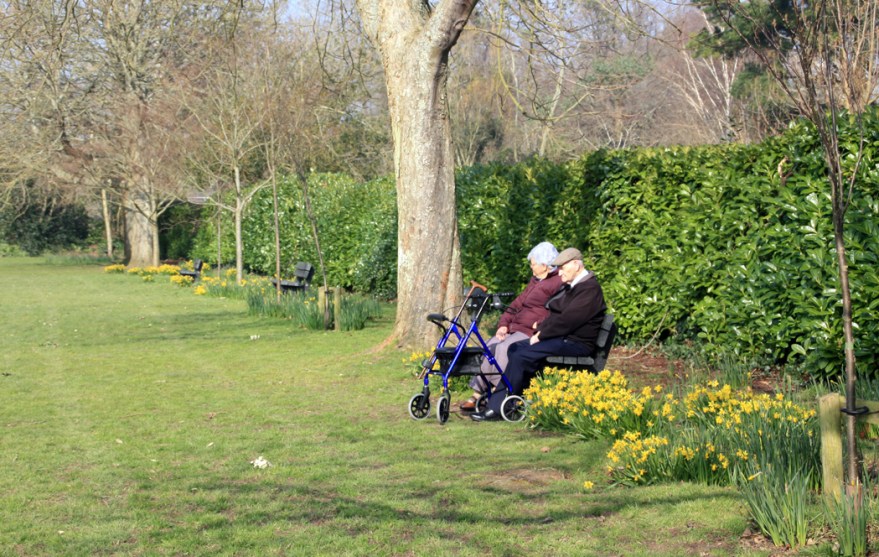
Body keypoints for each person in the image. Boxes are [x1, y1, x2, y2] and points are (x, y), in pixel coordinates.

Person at [471, 247, 607, 421]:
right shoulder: (576, 286)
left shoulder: (589, 289)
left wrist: (541, 334)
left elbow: (567, 320)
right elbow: (557, 313)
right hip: (564, 339)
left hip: (576, 344)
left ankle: (498, 407)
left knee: (522, 354)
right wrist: (542, 325)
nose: (560, 272)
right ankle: (516, 398)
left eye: (563, 267)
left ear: (576, 264)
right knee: (515, 348)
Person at [459, 242, 563, 411]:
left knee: (504, 348)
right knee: (490, 345)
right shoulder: (535, 281)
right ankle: (478, 393)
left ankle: (497, 392)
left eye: (533, 263)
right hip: (515, 328)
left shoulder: (557, 283)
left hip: (530, 331)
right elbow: (515, 306)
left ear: (544, 265)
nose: (531, 267)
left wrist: (539, 326)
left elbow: (555, 311)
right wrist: (503, 325)